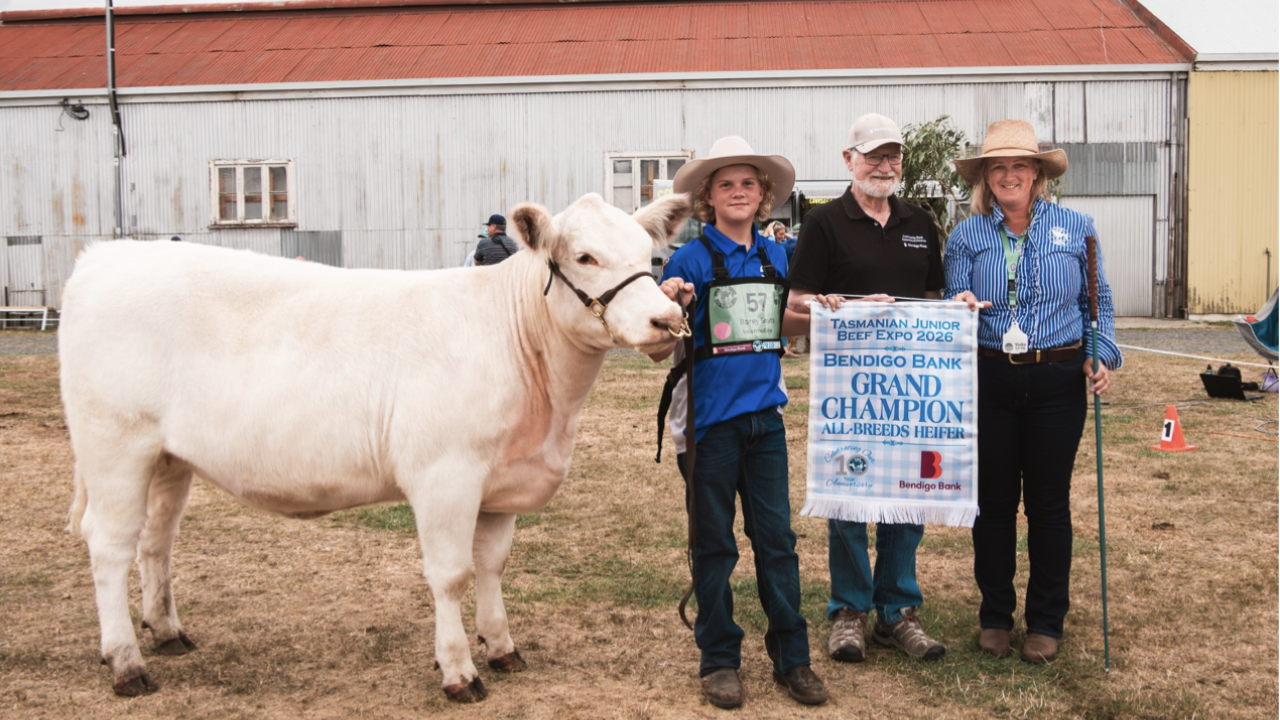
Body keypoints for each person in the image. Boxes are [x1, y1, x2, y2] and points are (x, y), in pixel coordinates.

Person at [650, 136, 836, 710]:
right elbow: (657, 348)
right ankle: (719, 660)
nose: (738, 193)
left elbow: (779, 320)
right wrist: (671, 306)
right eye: (726, 184)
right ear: (708, 196)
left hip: (765, 423)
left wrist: (838, 314)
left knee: (777, 541)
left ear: (764, 196)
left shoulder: (775, 255)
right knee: (713, 544)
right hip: (708, 426)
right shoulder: (688, 260)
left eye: (748, 184)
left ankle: (793, 658)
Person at [788, 112, 974, 665]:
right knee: (849, 497)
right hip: (850, 390)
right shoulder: (824, 224)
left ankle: (898, 611)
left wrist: (956, 309)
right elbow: (797, 302)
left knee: (908, 495)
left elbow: (936, 299)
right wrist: (839, 307)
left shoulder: (921, 222)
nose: (884, 166)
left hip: (914, 391)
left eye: (893, 156)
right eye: (872, 156)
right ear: (848, 161)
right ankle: (849, 610)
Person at [944, 119, 1121, 663]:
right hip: (990, 376)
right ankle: (995, 615)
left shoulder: (1077, 227)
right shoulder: (966, 235)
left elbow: (1099, 303)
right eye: (997, 167)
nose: (1008, 175)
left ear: (1038, 173)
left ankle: (1046, 620)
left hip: (1057, 378)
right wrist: (961, 306)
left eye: (1019, 165)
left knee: (1048, 505)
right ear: (985, 177)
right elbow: (954, 306)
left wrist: (1101, 352)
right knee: (992, 505)